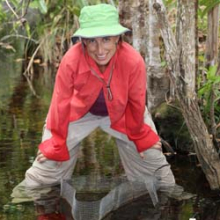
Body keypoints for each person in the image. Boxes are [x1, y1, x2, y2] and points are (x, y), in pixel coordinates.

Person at [11, 3, 181, 206]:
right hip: (77, 114)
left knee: (153, 161)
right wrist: (55, 143)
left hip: (124, 113)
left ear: (118, 38)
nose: (100, 49)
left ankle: (174, 198)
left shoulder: (133, 61)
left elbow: (136, 103)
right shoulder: (71, 60)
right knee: (46, 166)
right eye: (92, 41)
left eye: (106, 39)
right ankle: (16, 202)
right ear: (82, 41)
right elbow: (59, 103)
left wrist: (140, 136)